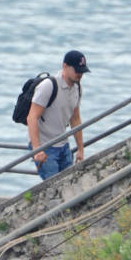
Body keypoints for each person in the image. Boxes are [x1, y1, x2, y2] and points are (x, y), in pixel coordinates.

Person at [28, 50, 90, 180]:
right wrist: (37, 149)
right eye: (77, 70)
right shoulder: (48, 86)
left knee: (69, 183)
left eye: (82, 71)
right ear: (65, 66)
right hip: (45, 147)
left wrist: (80, 149)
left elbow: (75, 119)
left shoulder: (77, 88)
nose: (80, 74)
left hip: (63, 145)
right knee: (54, 186)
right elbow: (32, 117)